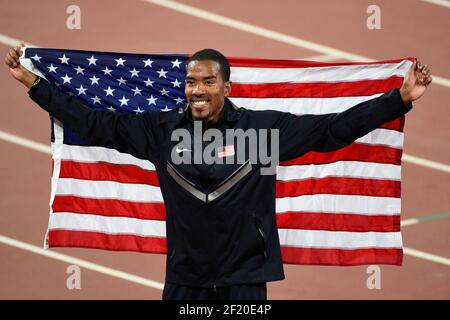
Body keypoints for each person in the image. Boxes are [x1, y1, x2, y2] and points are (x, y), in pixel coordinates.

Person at [5, 44, 432, 300]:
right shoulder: (161, 132)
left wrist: (397, 99)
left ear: (226, 88)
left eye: (208, 82)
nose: (197, 90)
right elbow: (95, 123)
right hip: (186, 278)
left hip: (245, 279)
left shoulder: (261, 131)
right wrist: (35, 83)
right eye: (191, 81)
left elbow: (331, 131)